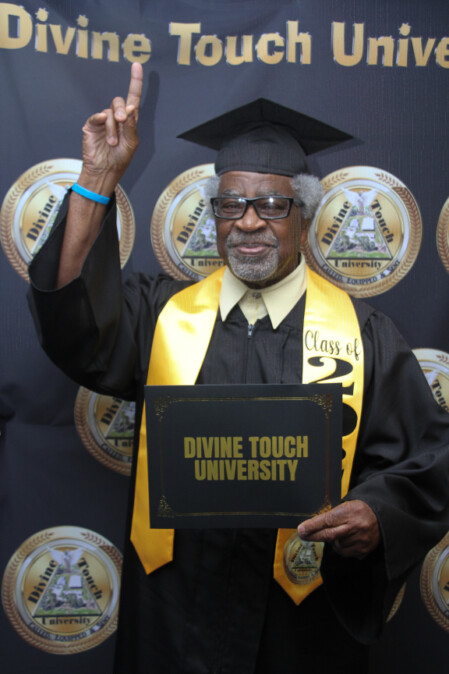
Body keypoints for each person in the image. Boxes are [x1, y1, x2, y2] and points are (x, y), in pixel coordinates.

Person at [28, 63, 449, 674]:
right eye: (231, 204)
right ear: (215, 216)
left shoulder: (364, 336)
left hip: (298, 628)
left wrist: (378, 515)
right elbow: (71, 321)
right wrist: (97, 178)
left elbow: (428, 460)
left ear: (305, 217)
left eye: (272, 204)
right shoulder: (161, 314)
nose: (249, 222)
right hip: (173, 617)